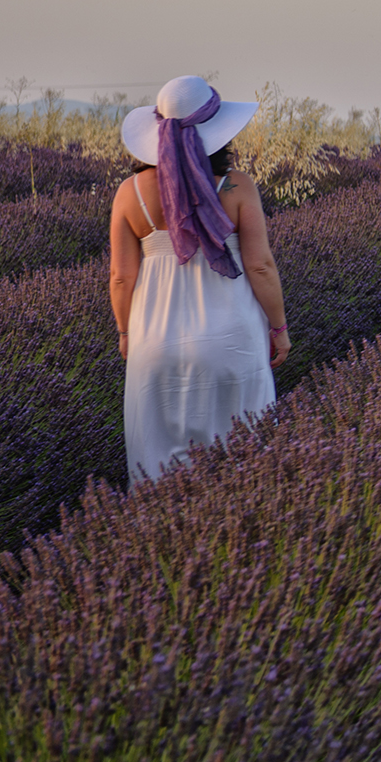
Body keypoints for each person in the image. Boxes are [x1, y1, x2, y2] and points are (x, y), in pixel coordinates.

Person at [110, 75, 290, 481]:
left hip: (155, 344)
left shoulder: (129, 193)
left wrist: (126, 333)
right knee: (244, 465)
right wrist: (278, 327)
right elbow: (260, 266)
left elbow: (121, 277)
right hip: (232, 342)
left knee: (157, 469)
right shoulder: (237, 187)